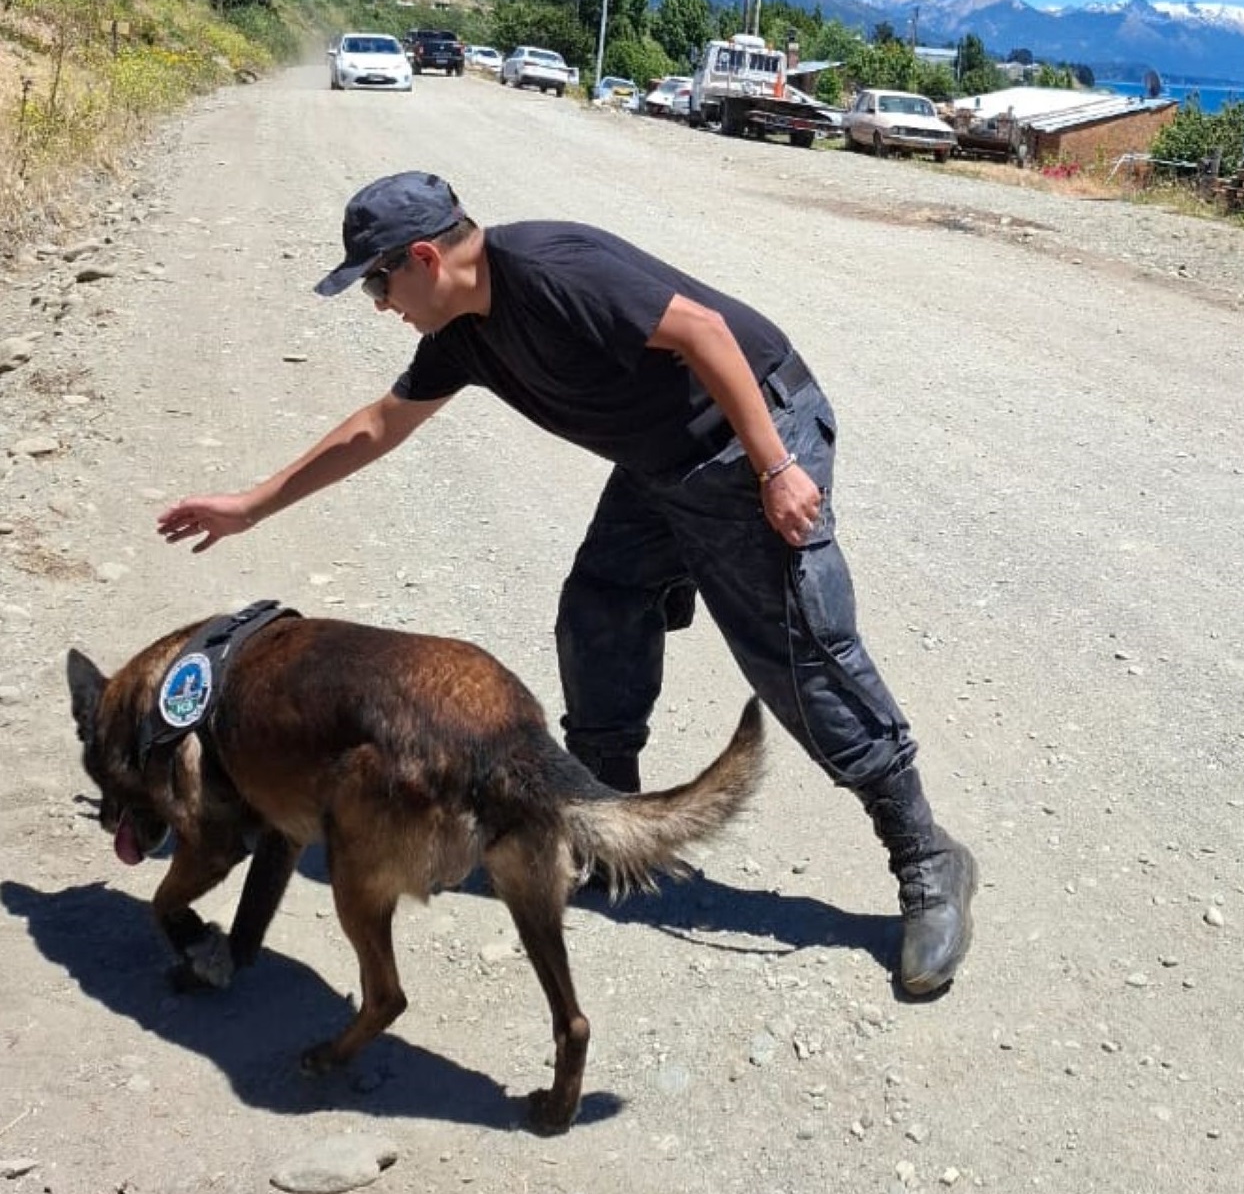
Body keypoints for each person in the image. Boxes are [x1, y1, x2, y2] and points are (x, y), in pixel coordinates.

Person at [155, 170, 976, 995]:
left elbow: (706, 333)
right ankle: (615, 824)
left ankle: (926, 857)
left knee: (795, 653)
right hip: (661, 463)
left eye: (377, 280)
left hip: (748, 435)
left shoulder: (551, 269)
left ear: (423, 259)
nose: (379, 303)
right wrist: (252, 505)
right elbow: (379, 424)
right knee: (599, 609)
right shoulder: (463, 337)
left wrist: (775, 468)